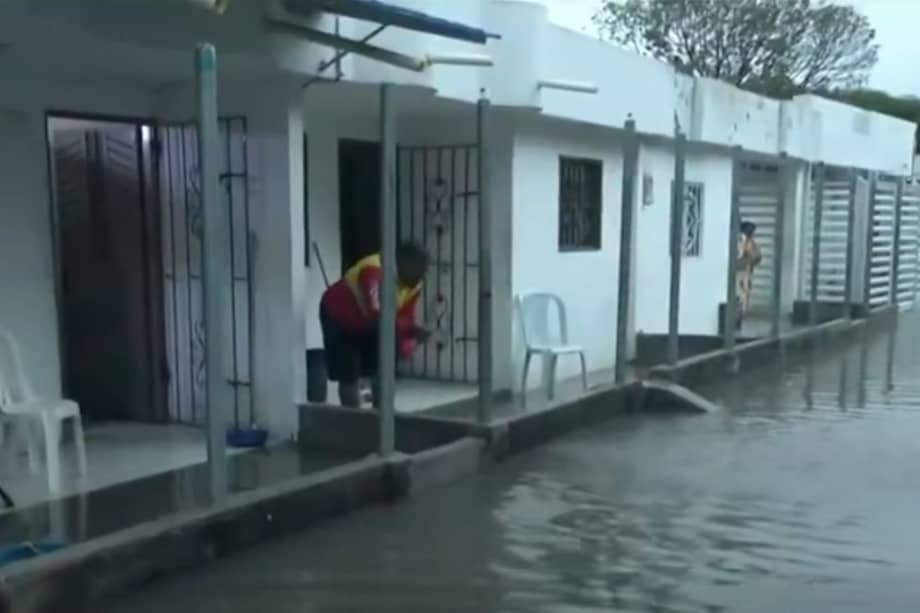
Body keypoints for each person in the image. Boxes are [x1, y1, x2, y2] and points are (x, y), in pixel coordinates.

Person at [320, 242, 430, 407]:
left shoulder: (414, 284)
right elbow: (375, 311)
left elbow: (405, 318)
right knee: (349, 372)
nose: (421, 276)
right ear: (404, 263)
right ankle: (353, 422)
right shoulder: (373, 270)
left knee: (383, 368)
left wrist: (412, 332)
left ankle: (382, 416)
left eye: (424, 271)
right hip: (338, 318)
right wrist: (408, 334)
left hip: (368, 322)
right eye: (419, 270)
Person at [736, 220, 762, 328]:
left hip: (746, 272)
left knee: (744, 295)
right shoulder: (741, 241)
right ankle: (739, 315)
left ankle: (740, 314)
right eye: (749, 231)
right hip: (741, 272)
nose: (751, 233)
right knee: (741, 294)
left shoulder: (751, 243)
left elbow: (757, 257)